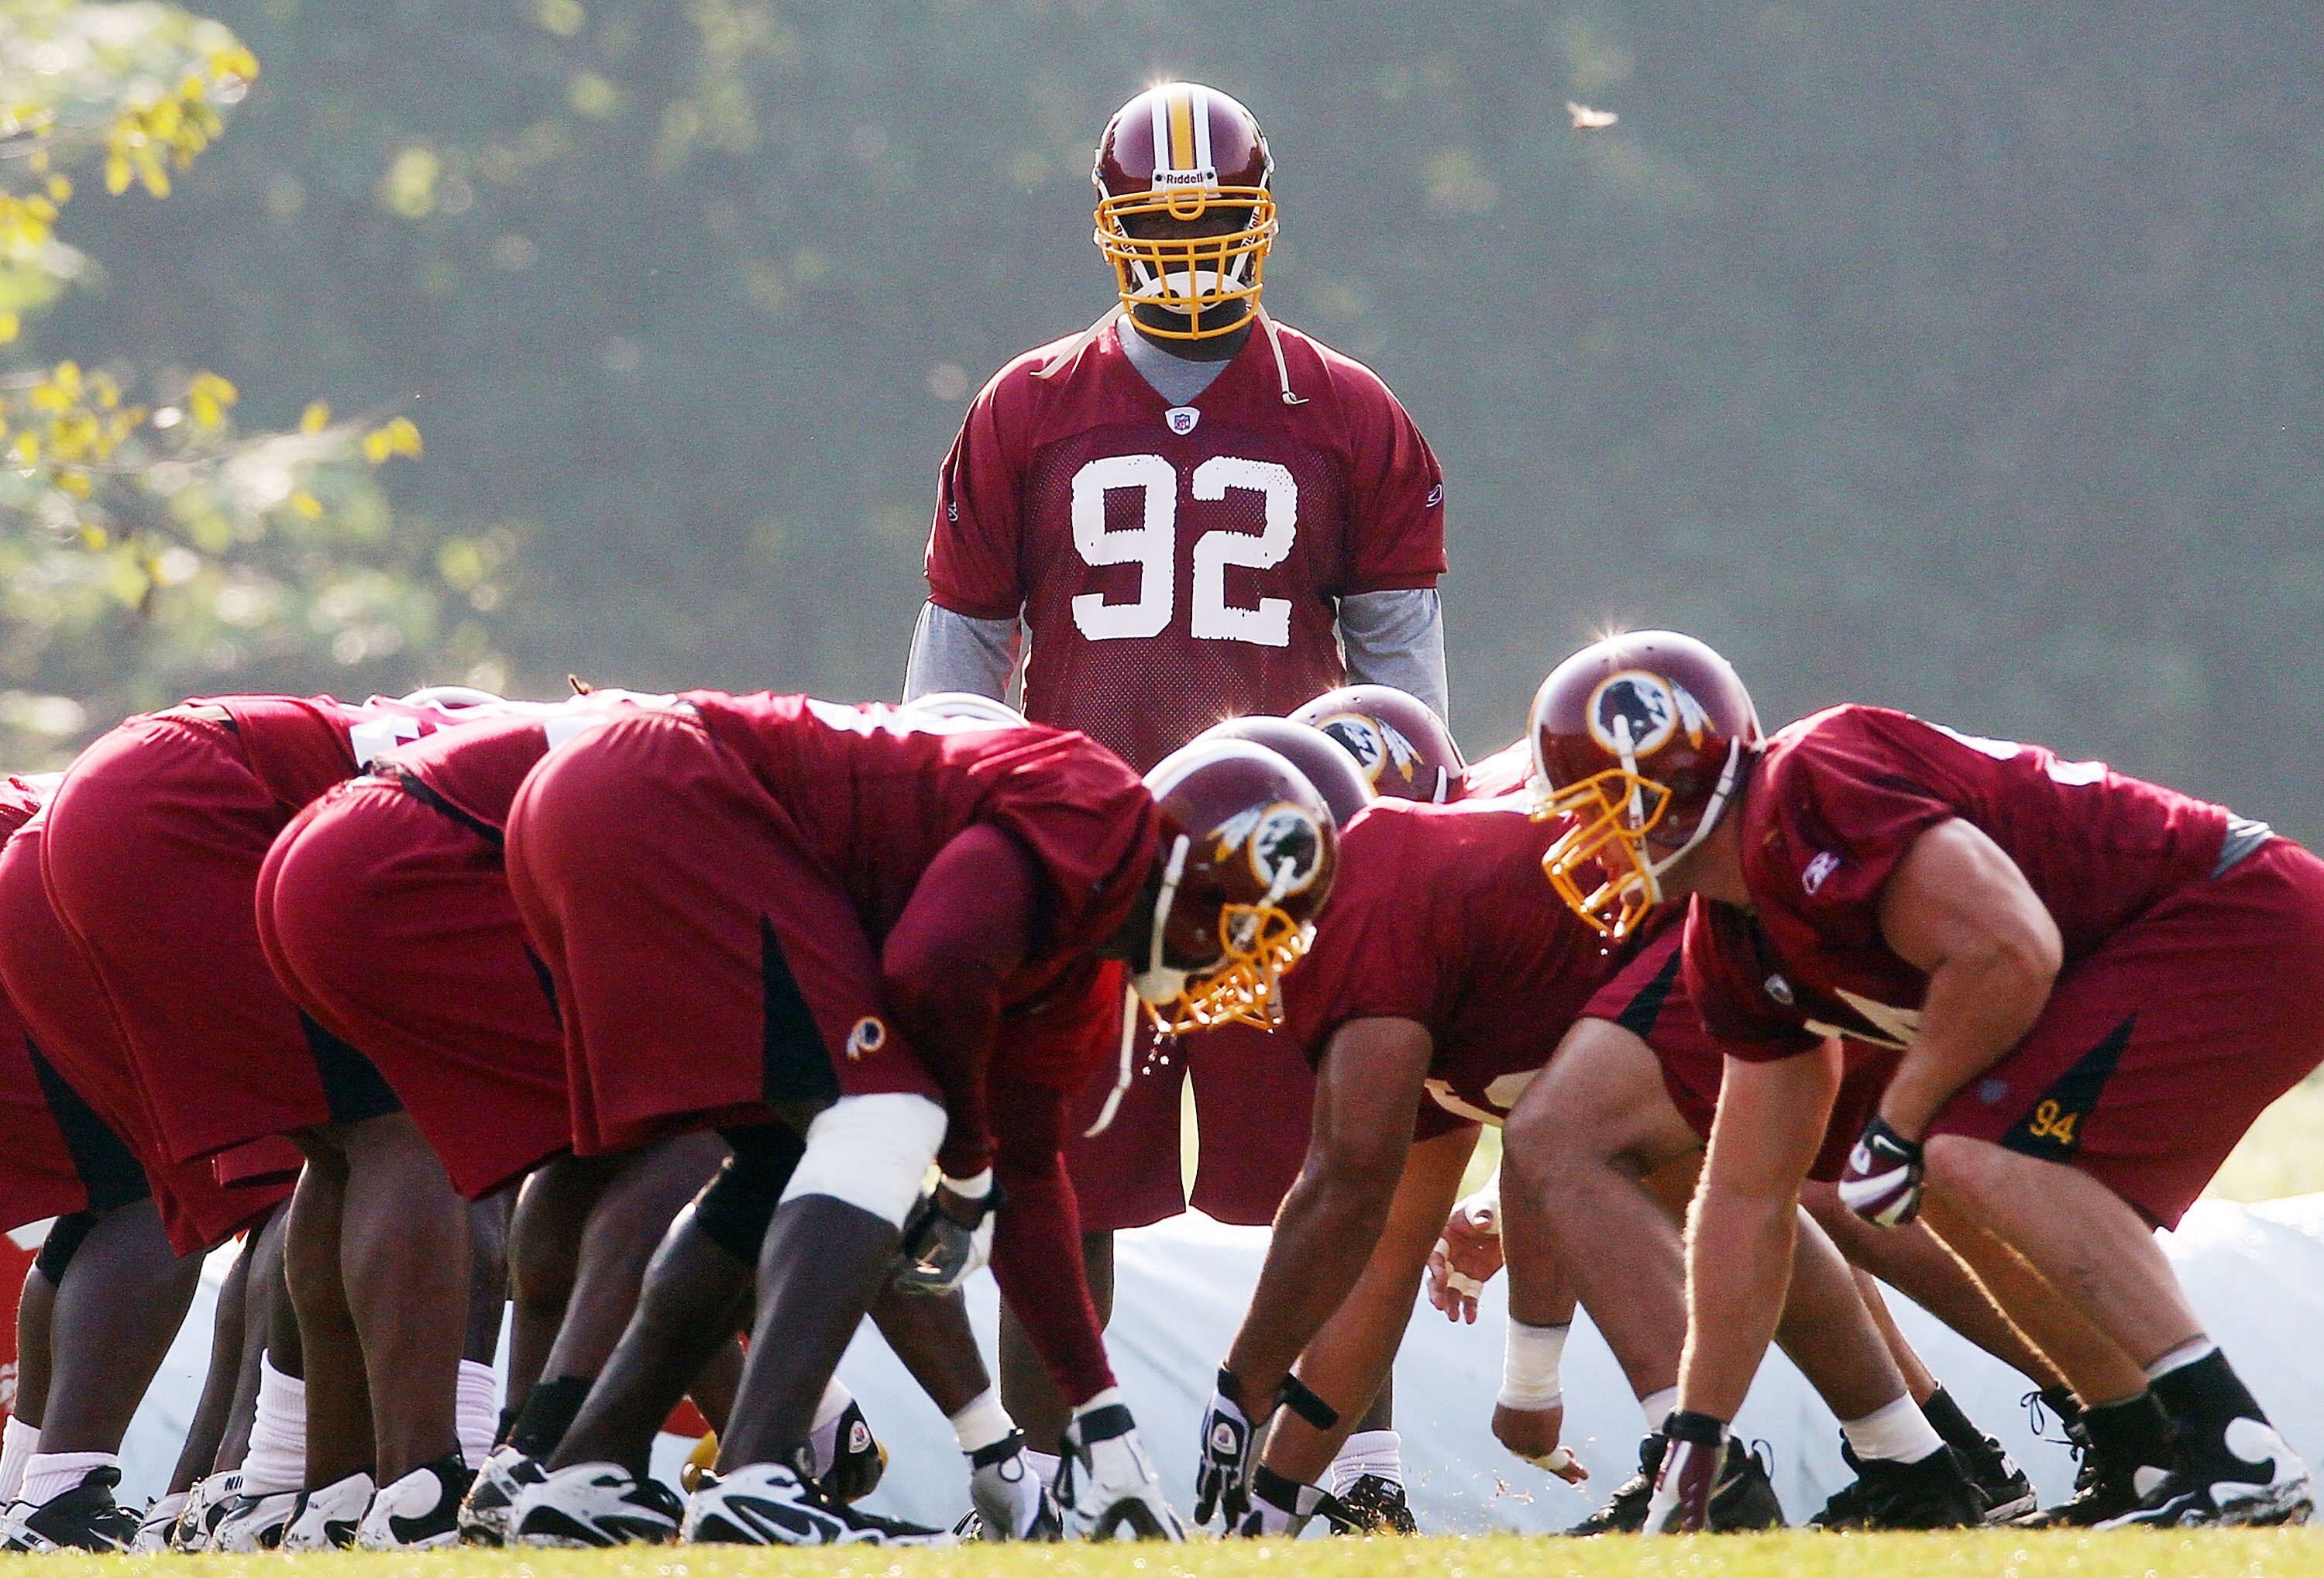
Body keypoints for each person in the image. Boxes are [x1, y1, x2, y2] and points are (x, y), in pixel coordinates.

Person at [901, 81, 1449, 1500]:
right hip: (1087, 842)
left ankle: (1354, 1465)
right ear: (1110, 228)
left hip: (1285, 848)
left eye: (1214, 220)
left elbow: (1403, 685)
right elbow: (957, 665)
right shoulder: (1026, 406)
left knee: (1328, 1170)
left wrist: (1399, 839)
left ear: (1262, 221)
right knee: (1056, 1164)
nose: (1192, 247)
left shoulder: (1347, 409)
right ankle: (1053, 1474)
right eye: (1161, 222)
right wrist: (954, 816)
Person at [1527, 629, 2322, 1532]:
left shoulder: (1814, 785)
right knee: (1949, 1182)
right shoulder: (1733, 939)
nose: (1587, 840)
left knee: (1974, 1158)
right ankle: (2143, 1449)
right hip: (2185, 935)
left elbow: (2007, 950)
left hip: (2236, 913)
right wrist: (1698, 1433)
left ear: (1665, 787)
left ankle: (2237, 1450)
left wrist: (1895, 1127)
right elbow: (1747, 1202)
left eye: (1600, 807)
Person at [503, 694, 1337, 1544]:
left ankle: (584, 1472)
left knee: (779, 1163)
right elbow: (931, 966)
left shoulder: (1080, 943)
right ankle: (753, 1483)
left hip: (597, 803)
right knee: (888, 1113)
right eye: (1249, 932)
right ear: (1202, 883)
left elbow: (1030, 1183)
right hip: (661, 790)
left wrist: (1102, 1414)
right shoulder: (1099, 822)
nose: (1244, 969)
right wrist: (965, 1170)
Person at [38, 691, 505, 1550]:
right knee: (409, 1132)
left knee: (327, 1156)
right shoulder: (659, 791)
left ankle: (305, 1483)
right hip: (188, 803)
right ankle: (422, 1481)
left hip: (95, 811)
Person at [0, 775, 293, 1552]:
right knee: (171, 1189)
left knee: (116, 1192)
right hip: (54, 880)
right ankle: (212, 1489)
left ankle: (34, 1494)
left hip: (56, 866)